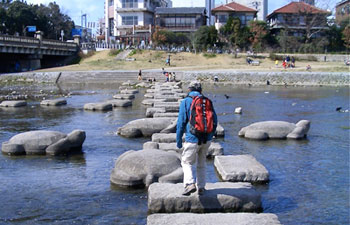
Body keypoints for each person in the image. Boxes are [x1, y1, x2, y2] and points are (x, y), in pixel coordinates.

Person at [176, 81, 218, 196]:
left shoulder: (185, 101)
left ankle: (190, 184)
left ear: (189, 89)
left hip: (192, 138)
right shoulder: (207, 101)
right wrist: (210, 135)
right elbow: (215, 120)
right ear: (201, 90)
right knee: (201, 162)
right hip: (206, 138)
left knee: (186, 161)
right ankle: (201, 188)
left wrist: (179, 141)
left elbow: (180, 123)